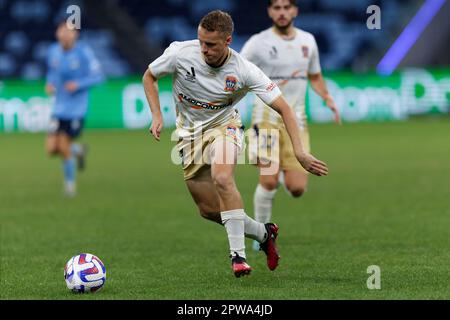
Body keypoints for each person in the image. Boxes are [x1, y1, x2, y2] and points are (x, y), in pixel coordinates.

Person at [142, 10, 328, 277]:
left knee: (222, 177)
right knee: (207, 210)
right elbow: (149, 76)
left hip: (225, 127)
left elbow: (285, 109)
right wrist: (157, 114)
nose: (204, 49)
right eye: (201, 42)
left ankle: (238, 256)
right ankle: (264, 233)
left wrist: (300, 152)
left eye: (211, 45)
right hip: (188, 135)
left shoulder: (244, 70)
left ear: (227, 40)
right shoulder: (181, 53)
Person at [240, 0, 340, 250]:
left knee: (297, 188)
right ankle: (261, 235)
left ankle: (286, 171)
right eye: (277, 7)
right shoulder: (257, 42)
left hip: (296, 123)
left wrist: (327, 97)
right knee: (269, 180)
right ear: (270, 12)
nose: (282, 12)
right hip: (265, 121)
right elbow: (237, 71)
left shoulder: (308, 41)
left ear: (295, 11)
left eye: (286, 7)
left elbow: (315, 75)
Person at [45, 20, 104, 197]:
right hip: (59, 108)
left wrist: (78, 84)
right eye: (62, 31)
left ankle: (69, 186)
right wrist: (50, 83)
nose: (65, 34)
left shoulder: (84, 53)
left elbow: (98, 77)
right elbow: (52, 72)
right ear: (57, 34)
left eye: (69, 31)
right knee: (50, 149)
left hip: (76, 110)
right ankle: (78, 150)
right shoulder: (53, 51)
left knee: (63, 145)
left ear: (75, 35)